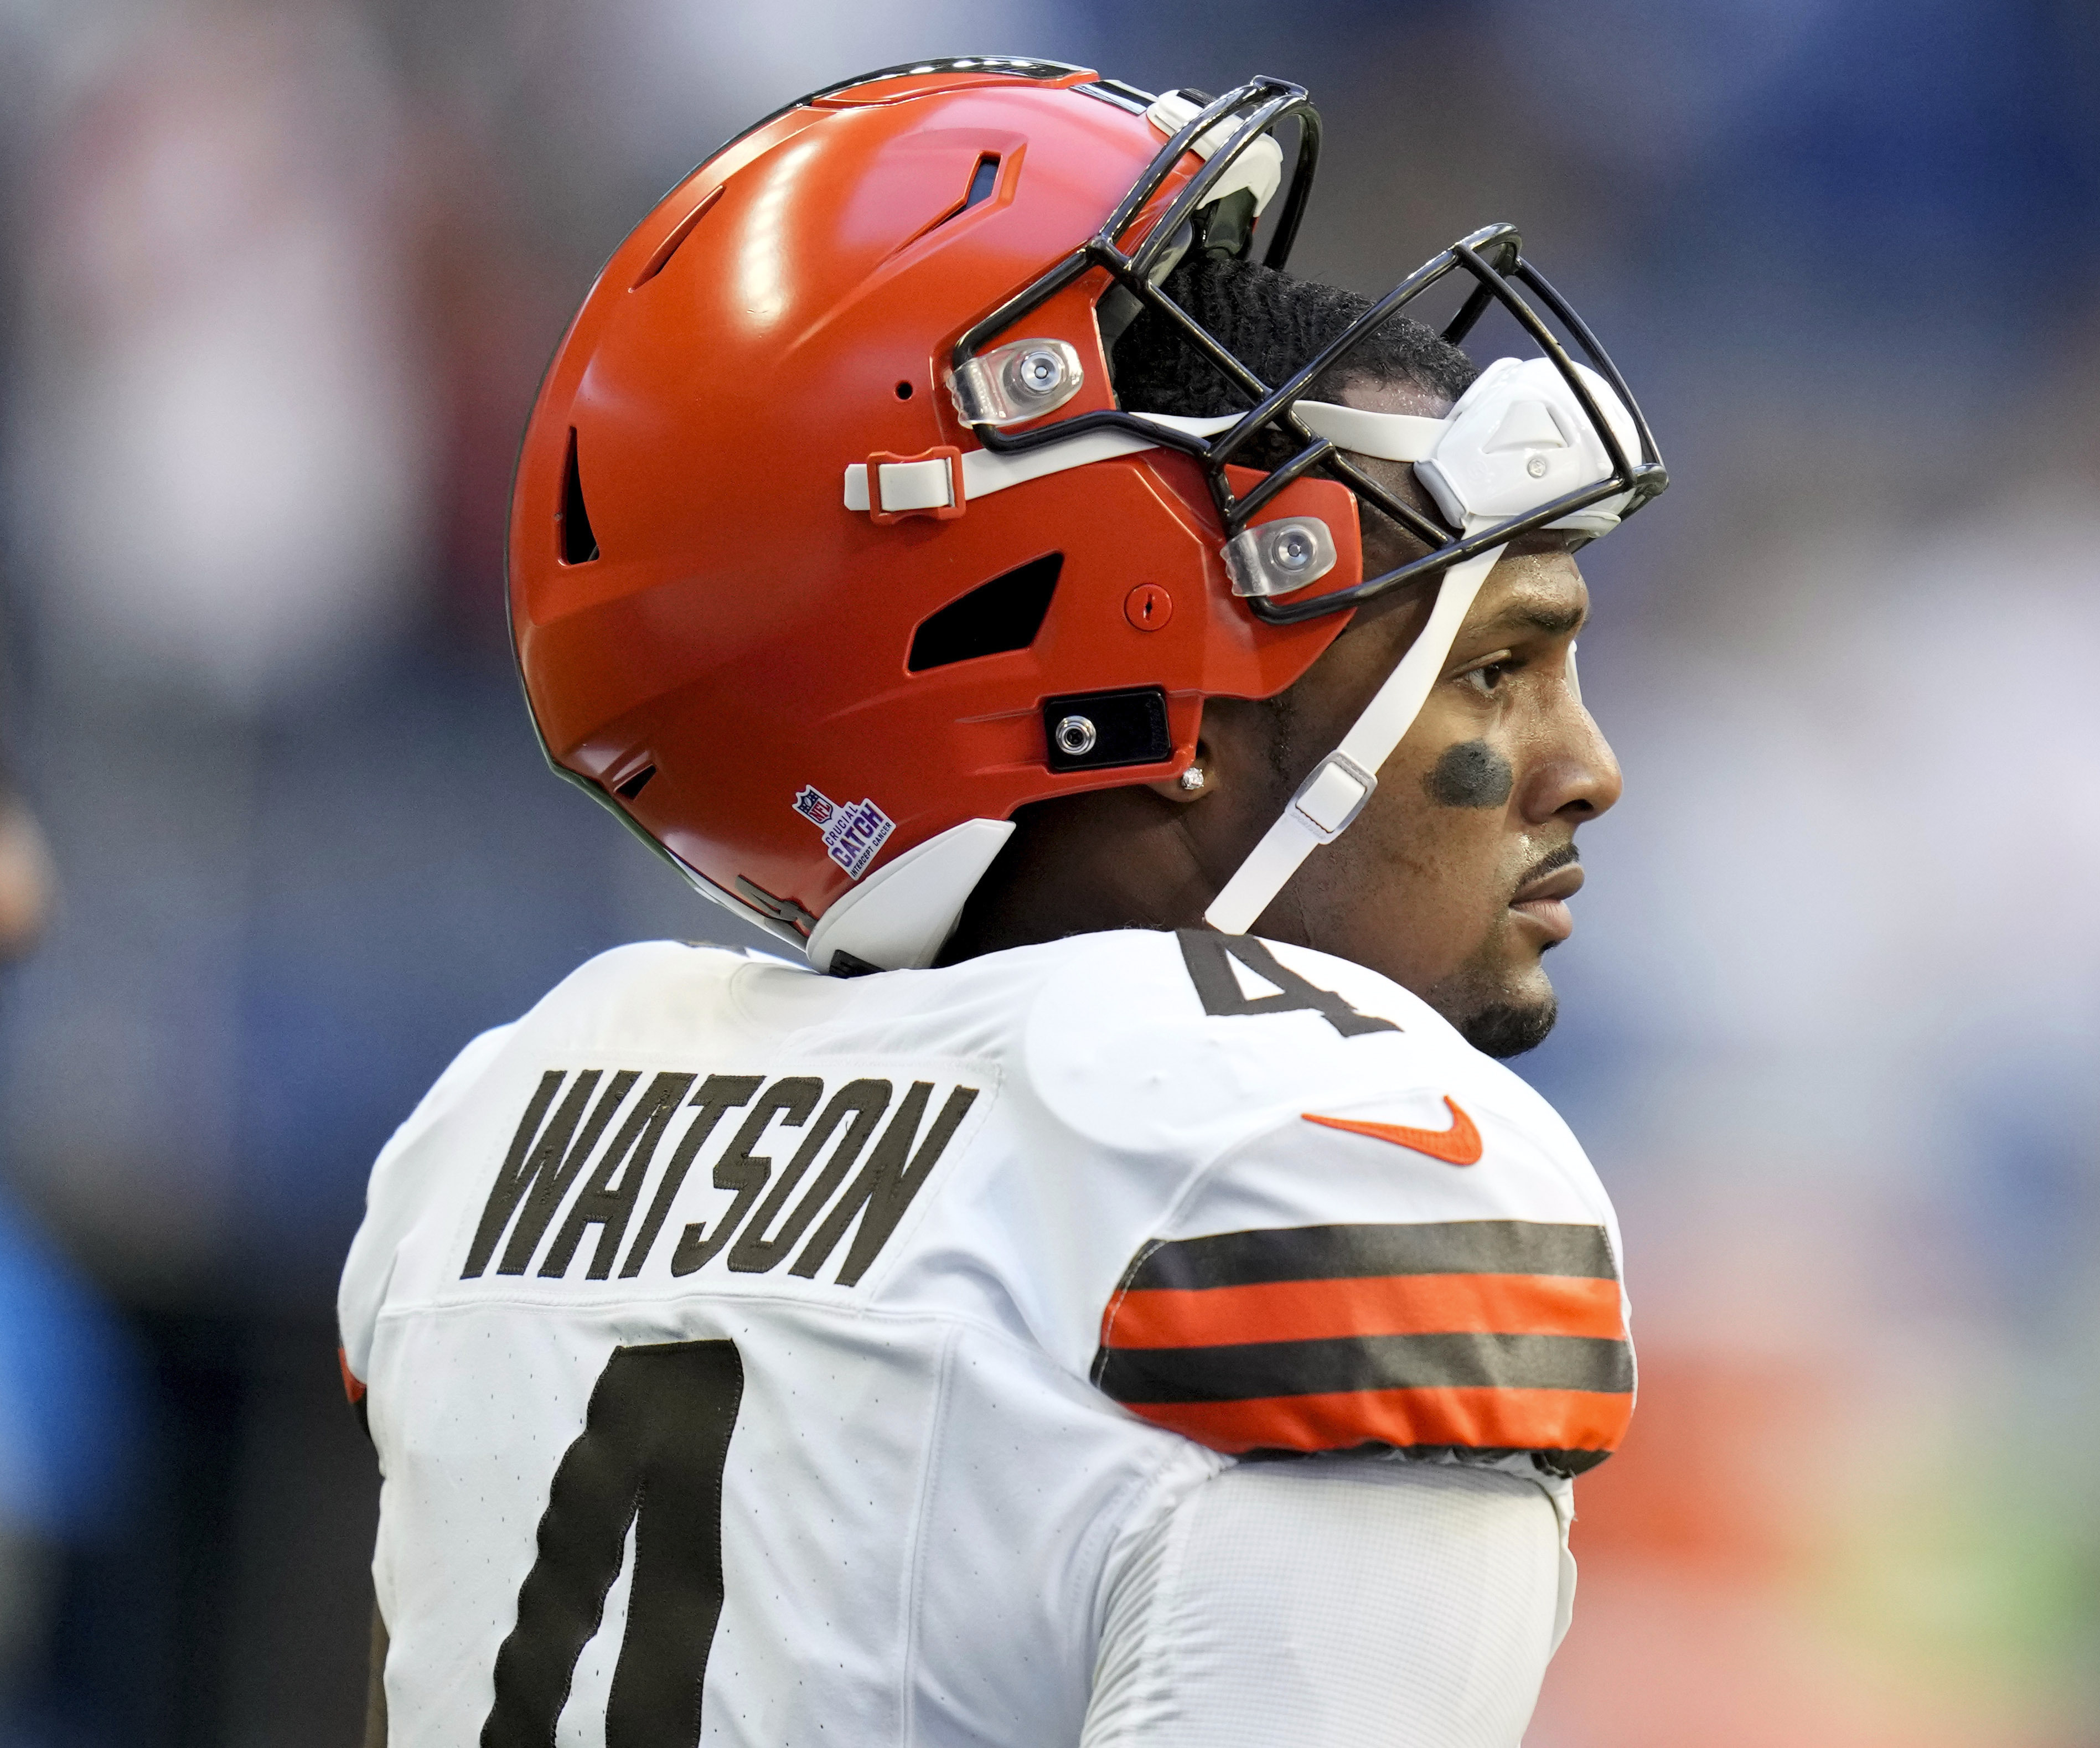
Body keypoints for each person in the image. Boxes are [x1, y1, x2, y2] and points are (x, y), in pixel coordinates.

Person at [339, 59, 1666, 1747]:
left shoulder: (511, 1112)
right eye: (1490, 665)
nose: (1582, 767)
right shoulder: (1309, 1158)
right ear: (1129, 683)